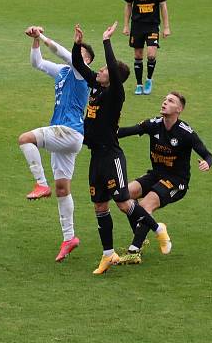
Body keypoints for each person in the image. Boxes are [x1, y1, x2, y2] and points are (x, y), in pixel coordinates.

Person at [71, 22, 169, 274]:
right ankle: (108, 254)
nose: (100, 70)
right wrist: (77, 43)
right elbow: (80, 65)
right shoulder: (96, 85)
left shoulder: (115, 93)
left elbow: (113, 70)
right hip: (96, 156)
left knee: (124, 203)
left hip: (112, 154)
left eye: (103, 69)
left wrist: (106, 41)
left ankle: (158, 230)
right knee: (99, 206)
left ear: (112, 76)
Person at [17, 26, 95, 262]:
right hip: (66, 139)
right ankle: (69, 237)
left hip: (68, 131)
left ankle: (41, 184)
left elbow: (62, 52)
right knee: (63, 189)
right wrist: (35, 41)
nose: (76, 57)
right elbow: (37, 63)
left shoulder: (82, 73)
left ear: (88, 61)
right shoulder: (62, 72)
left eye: (81, 55)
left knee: (25, 139)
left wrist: (41, 34)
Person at [116, 91, 212, 264]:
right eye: (165, 99)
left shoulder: (186, 133)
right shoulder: (154, 124)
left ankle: (134, 251)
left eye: (170, 101)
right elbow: (129, 130)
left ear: (179, 109)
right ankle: (141, 233)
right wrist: (105, 132)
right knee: (122, 195)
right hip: (156, 175)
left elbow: (207, 154)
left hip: (176, 181)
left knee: (145, 205)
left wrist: (207, 163)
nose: (164, 102)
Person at [122, 0, 170, 96]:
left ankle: (149, 79)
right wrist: (126, 25)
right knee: (138, 55)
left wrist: (166, 27)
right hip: (137, 25)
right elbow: (128, 5)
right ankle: (139, 84)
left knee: (151, 54)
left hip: (152, 25)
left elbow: (163, 6)